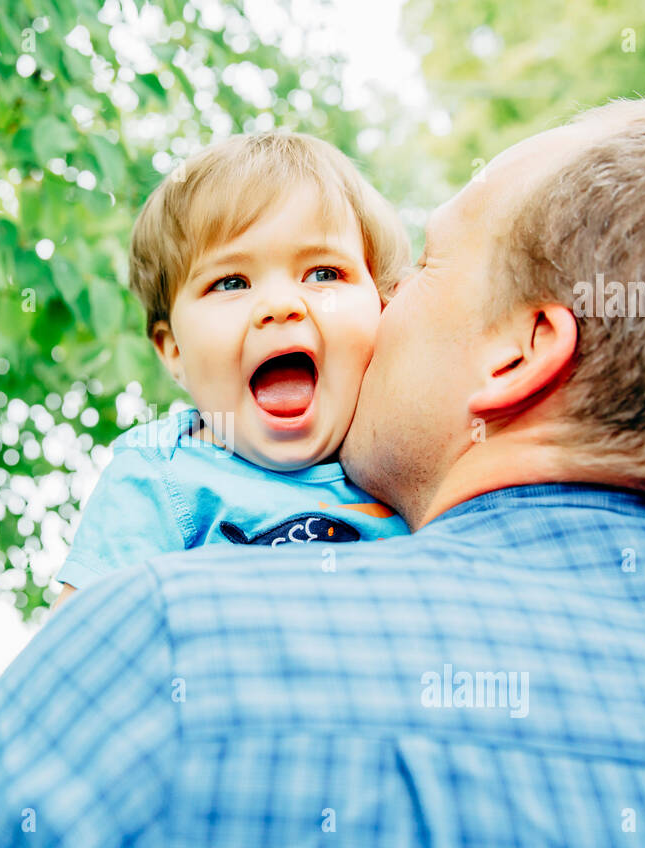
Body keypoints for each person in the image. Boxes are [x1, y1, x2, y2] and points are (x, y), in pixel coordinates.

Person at [0, 96, 645, 848]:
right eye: (231, 284)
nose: (360, 312)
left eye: (418, 268)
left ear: (520, 353)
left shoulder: (159, 651)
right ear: (170, 345)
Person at [54, 132, 410, 607]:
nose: (281, 306)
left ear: (385, 305)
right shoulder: (162, 478)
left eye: (323, 273)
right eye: (230, 282)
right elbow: (76, 654)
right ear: (174, 349)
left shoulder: (412, 456)